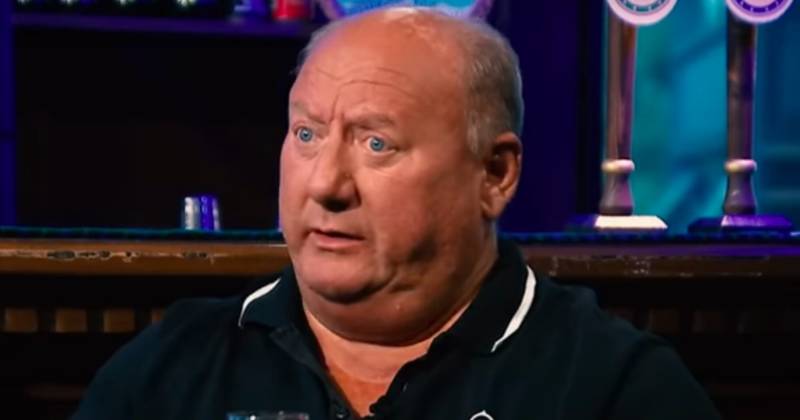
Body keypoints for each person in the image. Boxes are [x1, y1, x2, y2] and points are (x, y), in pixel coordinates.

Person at [72, 7, 720, 420]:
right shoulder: (170, 368)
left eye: (375, 143)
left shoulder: (612, 386)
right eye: (306, 135)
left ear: (494, 174)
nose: (326, 184)